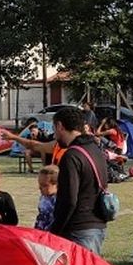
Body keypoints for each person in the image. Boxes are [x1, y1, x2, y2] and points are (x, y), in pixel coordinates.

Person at [49, 105, 110, 254]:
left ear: (60, 126)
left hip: (79, 228)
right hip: (97, 225)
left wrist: (55, 230)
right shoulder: (95, 149)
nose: (54, 134)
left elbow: (69, 199)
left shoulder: (71, 156)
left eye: (54, 128)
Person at [34, 165, 58, 231]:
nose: (40, 188)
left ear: (56, 184)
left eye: (44, 185)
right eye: (39, 184)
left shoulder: (58, 200)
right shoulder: (43, 197)